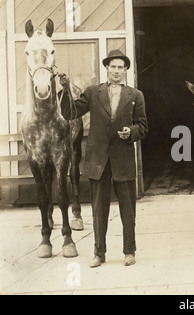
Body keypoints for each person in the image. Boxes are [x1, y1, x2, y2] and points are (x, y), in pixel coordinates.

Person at [60, 49, 148, 267]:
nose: (116, 71)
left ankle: (129, 251)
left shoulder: (135, 95)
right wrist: (64, 89)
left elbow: (143, 126)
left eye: (120, 67)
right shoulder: (93, 92)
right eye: (113, 66)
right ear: (106, 68)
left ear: (125, 70)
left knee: (128, 210)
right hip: (98, 160)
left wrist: (132, 132)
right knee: (99, 210)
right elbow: (70, 113)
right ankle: (99, 253)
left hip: (124, 159)